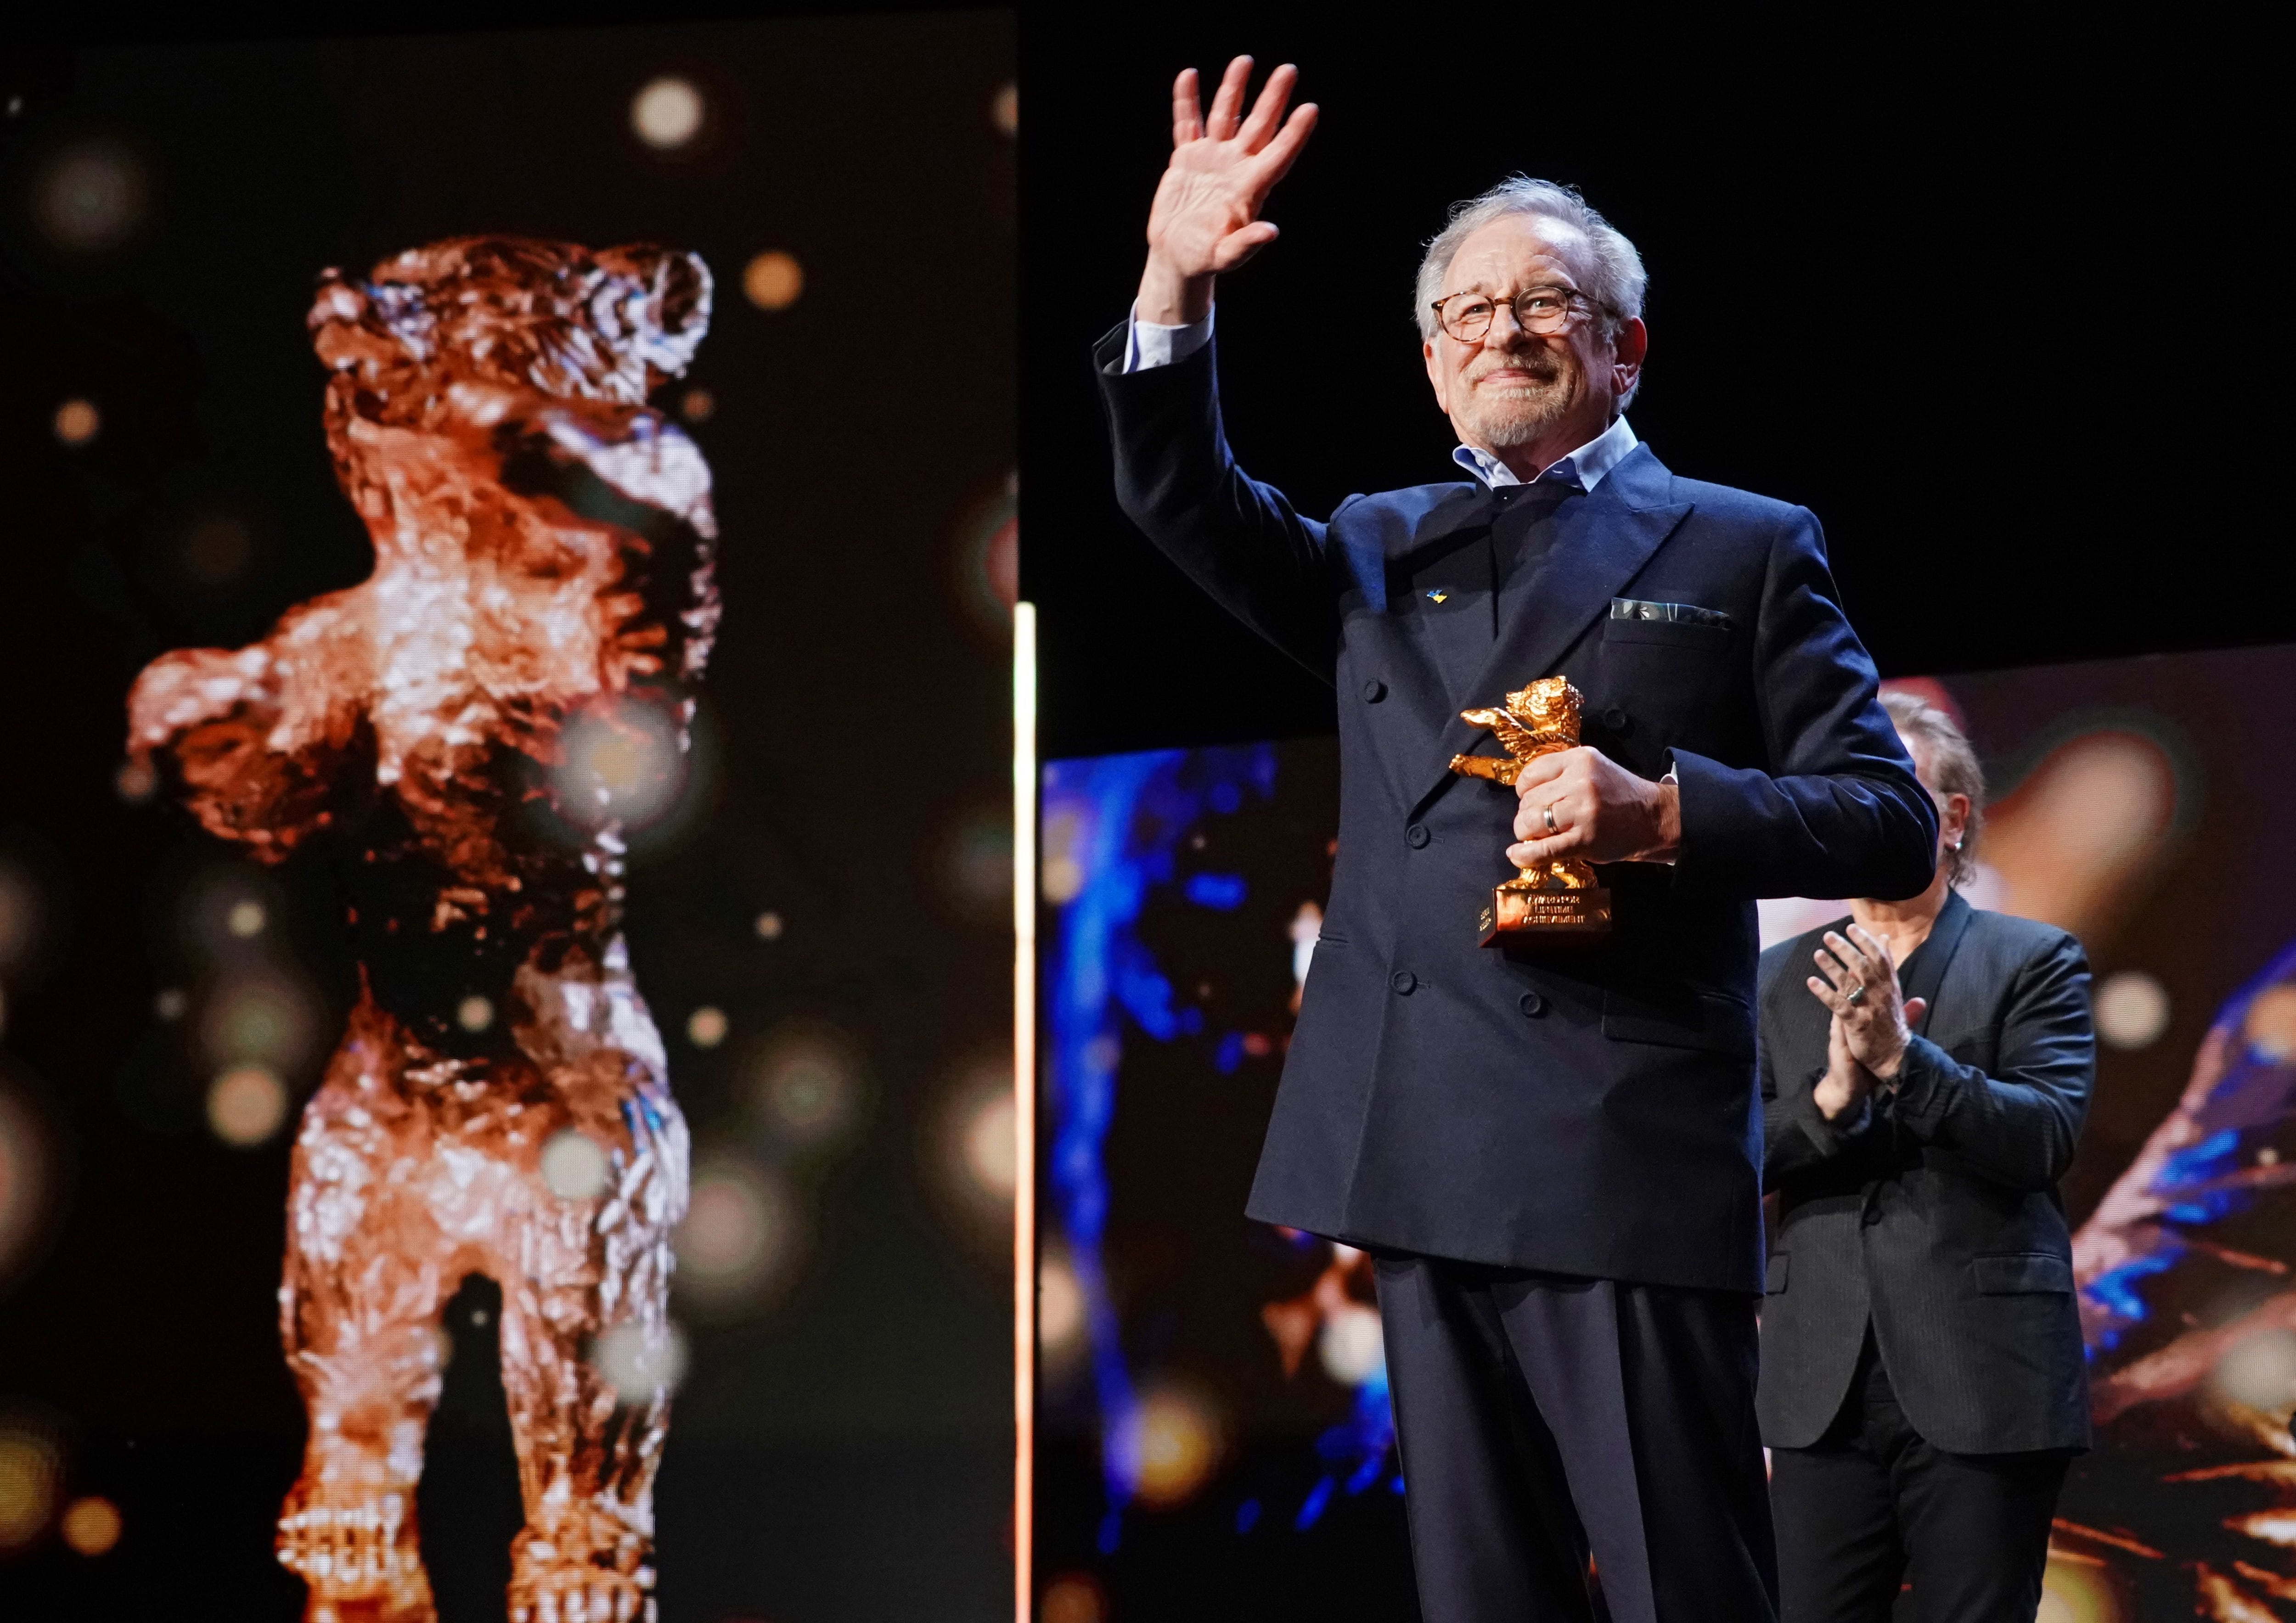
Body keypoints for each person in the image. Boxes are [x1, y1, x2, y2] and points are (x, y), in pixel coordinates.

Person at [1095, 56, 1937, 1623]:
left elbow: (1887, 817)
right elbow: (1176, 500)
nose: (1504, 331)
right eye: (1468, 313)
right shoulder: (1372, 541)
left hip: (1616, 1149)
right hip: (1413, 1149)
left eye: (1545, 303)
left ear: (1624, 347)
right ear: (1431, 363)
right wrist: (1171, 284)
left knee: (1686, 1583)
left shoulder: (1745, 543)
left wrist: (1669, 807)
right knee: (1483, 1595)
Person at [1758, 691, 2093, 1622]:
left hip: (1983, 1379)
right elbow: (1726, 1157)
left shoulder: (2033, 960)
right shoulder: (1774, 981)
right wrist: (1832, 1098)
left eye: (1890, 792)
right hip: (1818, 1385)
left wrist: (1904, 1063)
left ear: (1949, 819)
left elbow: (2043, 1137)